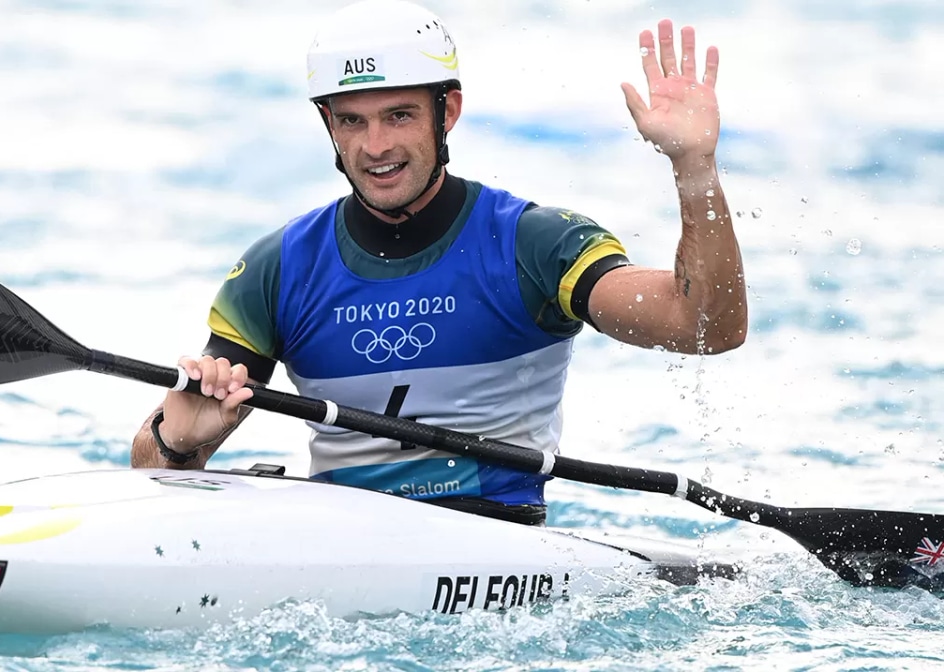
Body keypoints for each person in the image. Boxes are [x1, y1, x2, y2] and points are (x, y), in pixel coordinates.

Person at [131, 0, 746, 525]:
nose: (376, 147)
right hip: (335, 543)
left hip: (497, 545)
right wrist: (178, 442)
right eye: (352, 121)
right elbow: (153, 481)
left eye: (399, 115)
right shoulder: (280, 268)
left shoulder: (534, 244)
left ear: (446, 112)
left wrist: (693, 168)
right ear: (328, 124)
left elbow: (705, 328)